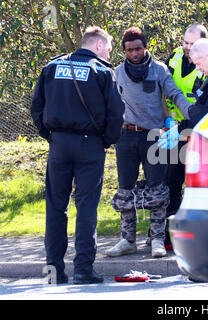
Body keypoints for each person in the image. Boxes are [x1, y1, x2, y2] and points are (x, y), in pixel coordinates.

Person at [31, 26, 125, 284]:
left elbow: (36, 107)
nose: (109, 53)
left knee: (55, 207)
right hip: (90, 146)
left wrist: (50, 136)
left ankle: (54, 272)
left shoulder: (51, 67)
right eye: (108, 47)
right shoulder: (103, 72)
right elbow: (117, 115)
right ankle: (83, 270)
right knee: (86, 208)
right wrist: (106, 141)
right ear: (97, 45)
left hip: (59, 144)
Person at [107, 27, 191, 258]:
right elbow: (108, 103)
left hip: (154, 137)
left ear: (146, 48)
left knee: (157, 190)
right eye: (129, 50)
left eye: (138, 49)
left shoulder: (160, 70)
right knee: (125, 191)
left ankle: (156, 240)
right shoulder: (117, 73)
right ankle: (127, 240)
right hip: (126, 137)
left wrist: (191, 114)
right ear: (124, 51)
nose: (134, 53)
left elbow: (175, 94)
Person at [162, 23, 208, 250]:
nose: (187, 48)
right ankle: (170, 236)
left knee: (196, 185)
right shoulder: (174, 58)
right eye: (185, 43)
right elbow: (163, 89)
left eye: (192, 44)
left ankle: (196, 236)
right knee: (171, 182)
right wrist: (167, 120)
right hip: (174, 130)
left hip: (197, 131)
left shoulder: (207, 64)